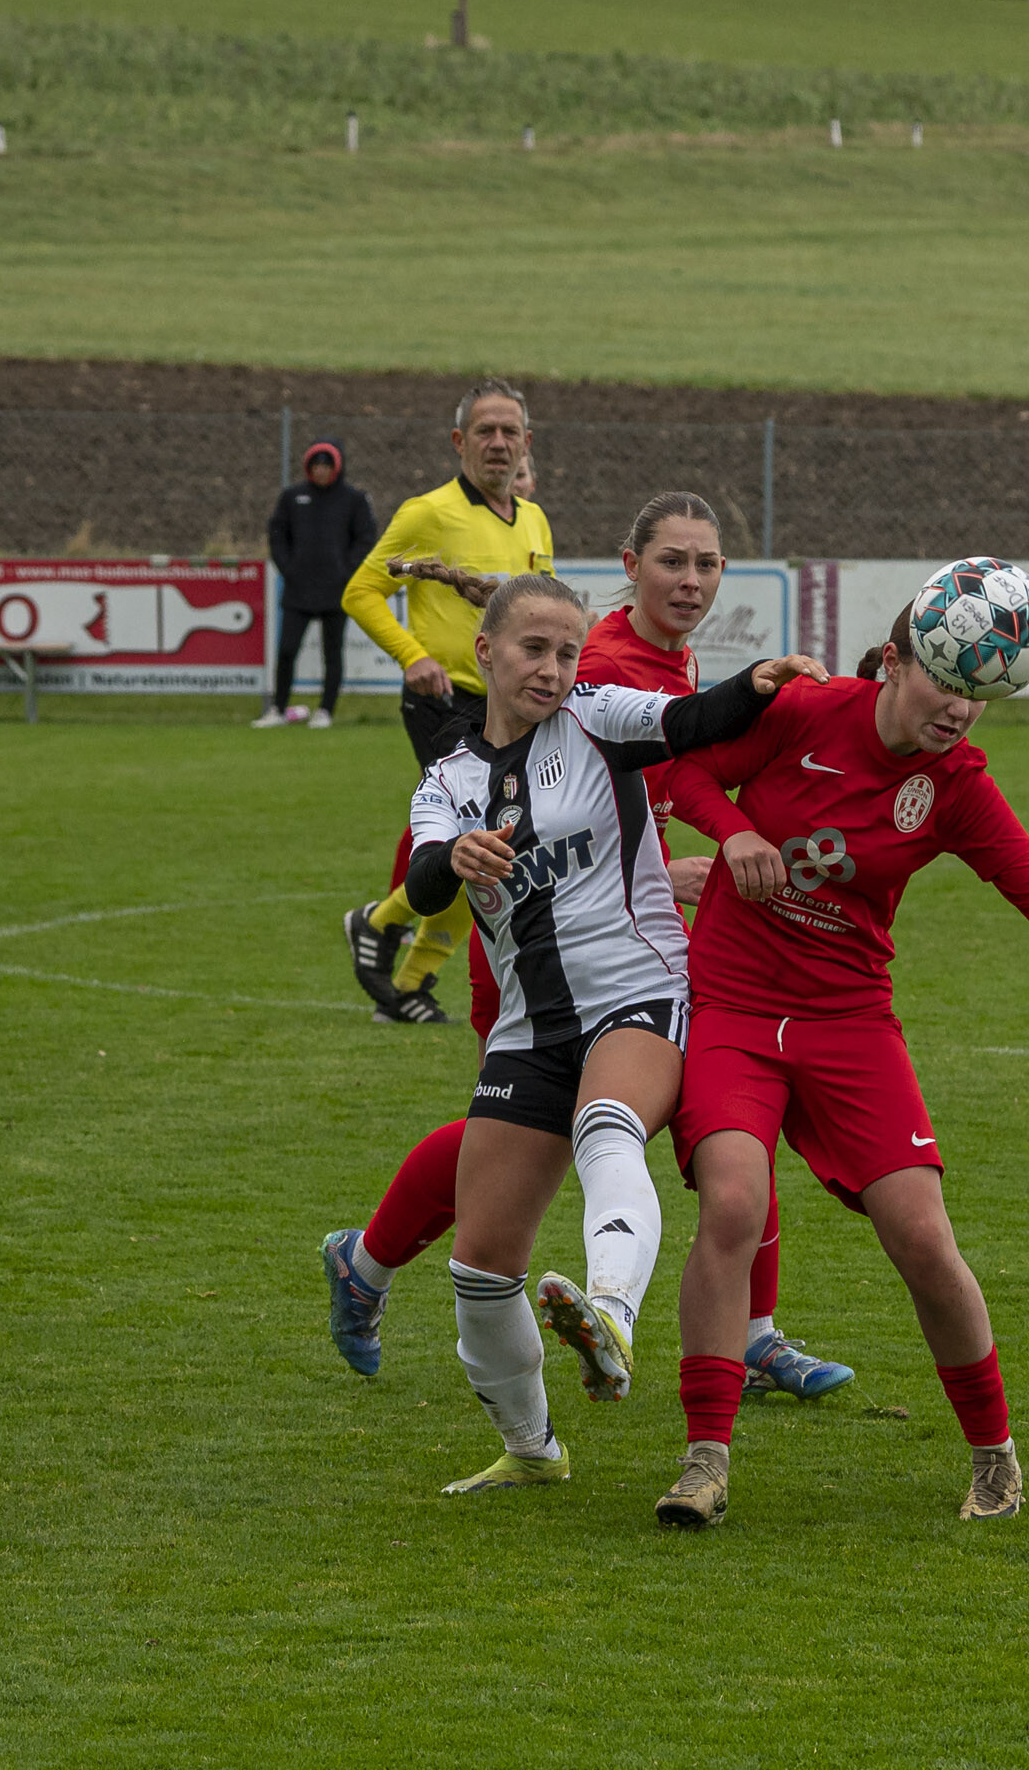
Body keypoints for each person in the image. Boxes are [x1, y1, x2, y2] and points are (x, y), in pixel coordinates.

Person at [651, 589, 1029, 1528]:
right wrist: (733, 830)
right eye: (948, 681)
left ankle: (994, 1457)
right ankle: (706, 1460)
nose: (961, 708)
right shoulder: (807, 712)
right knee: (733, 1201)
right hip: (733, 1007)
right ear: (896, 661)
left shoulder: (956, 785)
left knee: (925, 1241)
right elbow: (684, 771)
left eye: (981, 694)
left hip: (850, 1023)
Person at [321, 495, 853, 1405]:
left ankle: (733, 1331)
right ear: (629, 567)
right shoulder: (593, 674)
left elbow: (677, 750)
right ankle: (373, 1264)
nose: (691, 582)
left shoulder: (651, 661)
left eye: (707, 564)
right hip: (530, 949)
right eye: (672, 562)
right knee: (527, 1143)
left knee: (717, 1121)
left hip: (632, 943)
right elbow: (526, 795)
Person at [400, 571, 826, 1494]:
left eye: (566, 652)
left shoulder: (598, 716)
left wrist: (756, 683)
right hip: (528, 1028)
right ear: (485, 651)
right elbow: (425, 881)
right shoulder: (448, 779)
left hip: (639, 990)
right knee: (480, 1268)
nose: (552, 670)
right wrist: (453, 857)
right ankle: (531, 1449)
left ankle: (612, 1317)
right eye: (533, 650)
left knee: (607, 1126)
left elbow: (689, 721)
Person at [341, 379, 552, 1024]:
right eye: (485, 431)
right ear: (460, 441)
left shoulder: (533, 518)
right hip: (446, 701)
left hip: (508, 708)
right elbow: (360, 592)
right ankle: (383, 924)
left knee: (496, 848)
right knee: (474, 840)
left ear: (527, 442)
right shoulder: (427, 513)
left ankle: (406, 984)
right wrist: (413, 656)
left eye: (509, 431)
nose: (498, 443)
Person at [257, 439, 377, 730]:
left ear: (336, 467)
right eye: (316, 465)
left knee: (332, 653)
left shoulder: (354, 499)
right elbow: (277, 534)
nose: (321, 471)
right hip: (298, 590)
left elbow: (366, 538)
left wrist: (345, 571)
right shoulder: (292, 497)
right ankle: (278, 709)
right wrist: (288, 568)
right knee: (287, 650)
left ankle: (325, 711)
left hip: (336, 590)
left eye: (326, 465)